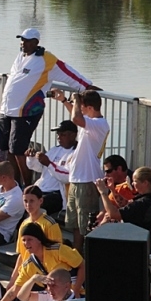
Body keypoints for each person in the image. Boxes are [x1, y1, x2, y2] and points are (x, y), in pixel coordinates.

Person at [0, 28, 95, 187]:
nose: (23, 43)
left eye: (27, 41)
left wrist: (87, 86)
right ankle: (14, 184)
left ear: (36, 42)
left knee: (18, 150)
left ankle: (26, 186)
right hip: (7, 109)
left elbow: (69, 73)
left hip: (25, 112)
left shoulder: (47, 59)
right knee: (7, 149)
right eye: (22, 40)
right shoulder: (21, 56)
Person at [50, 88, 109, 253]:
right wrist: (64, 100)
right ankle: (76, 254)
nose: (79, 109)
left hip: (87, 180)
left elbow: (76, 118)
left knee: (86, 225)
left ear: (89, 107)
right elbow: (76, 115)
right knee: (76, 224)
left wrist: (75, 99)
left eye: (81, 106)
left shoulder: (99, 124)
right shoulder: (89, 122)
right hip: (77, 179)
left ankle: (88, 257)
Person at [96, 167, 151, 253]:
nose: (132, 183)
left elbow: (114, 214)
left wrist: (103, 193)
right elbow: (125, 205)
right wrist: (112, 189)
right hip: (139, 244)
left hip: (140, 248)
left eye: (135, 181)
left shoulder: (146, 202)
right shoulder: (147, 198)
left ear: (145, 183)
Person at [25, 120, 77, 215]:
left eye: (62, 135)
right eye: (58, 134)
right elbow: (39, 168)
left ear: (73, 135)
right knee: (19, 203)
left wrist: (49, 163)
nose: (59, 137)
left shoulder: (76, 153)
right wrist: (31, 158)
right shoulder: (54, 150)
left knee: (35, 205)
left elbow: (67, 177)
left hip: (56, 193)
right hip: (40, 189)